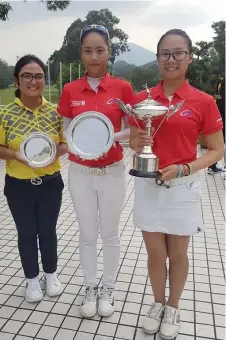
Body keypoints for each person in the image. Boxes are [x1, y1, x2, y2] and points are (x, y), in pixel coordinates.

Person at [128, 29, 224, 339]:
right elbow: (132, 140)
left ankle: (173, 306)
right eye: (165, 54)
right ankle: (157, 304)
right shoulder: (142, 100)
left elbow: (217, 149)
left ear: (189, 57)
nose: (171, 60)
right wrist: (138, 140)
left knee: (178, 254)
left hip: (183, 187)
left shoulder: (203, 101)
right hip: (148, 186)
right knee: (155, 254)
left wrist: (184, 168)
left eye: (178, 53)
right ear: (157, 59)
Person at [57, 24, 134, 318]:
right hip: (80, 173)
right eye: (88, 51)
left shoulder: (122, 88)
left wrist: (107, 138)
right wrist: (80, 143)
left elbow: (131, 129)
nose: (93, 57)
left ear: (108, 52)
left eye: (99, 50)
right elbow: (67, 131)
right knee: (88, 234)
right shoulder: (70, 90)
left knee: (111, 235)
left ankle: (108, 287)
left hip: (113, 170)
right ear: (81, 54)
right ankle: (90, 286)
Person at [0, 55, 68, 303]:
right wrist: (17, 155)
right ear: (17, 79)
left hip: (50, 183)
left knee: (48, 231)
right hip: (18, 186)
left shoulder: (55, 112)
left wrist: (51, 154)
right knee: (26, 233)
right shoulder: (3, 114)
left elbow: (65, 143)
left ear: (44, 80)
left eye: (38, 76)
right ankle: (32, 279)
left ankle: (51, 274)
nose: (33, 81)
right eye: (27, 75)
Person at [208, 75, 225, 174]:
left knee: (216, 142)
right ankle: (212, 166)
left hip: (219, 112)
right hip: (222, 113)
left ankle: (212, 166)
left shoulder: (220, 80)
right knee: (219, 142)